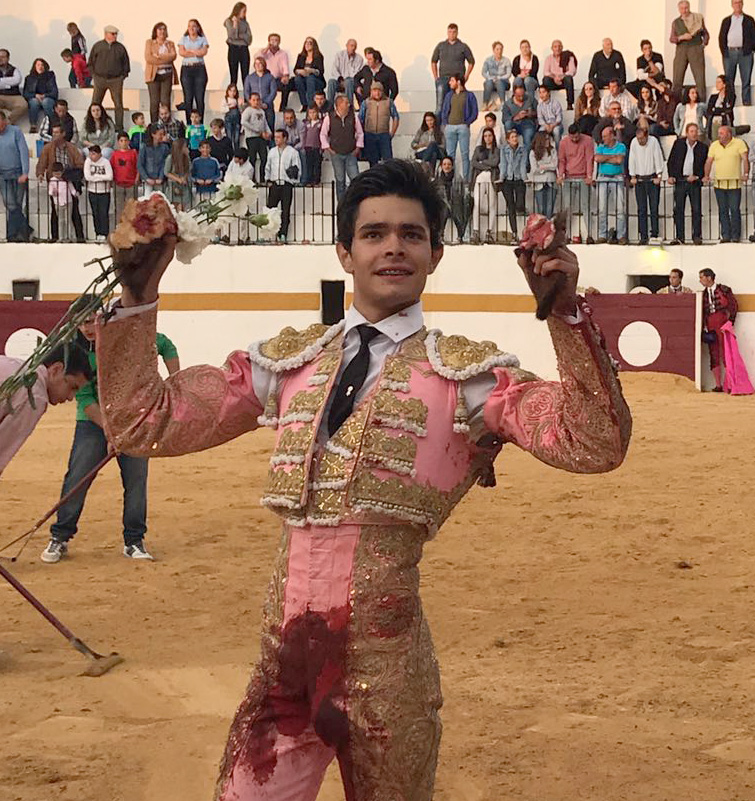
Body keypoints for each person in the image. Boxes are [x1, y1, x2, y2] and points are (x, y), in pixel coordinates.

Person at [96, 158, 630, 799]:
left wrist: (568, 317)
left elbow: (594, 442)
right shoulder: (288, 365)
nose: (394, 247)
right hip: (284, 665)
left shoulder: (469, 379)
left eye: (411, 234)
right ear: (345, 252)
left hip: (388, 671)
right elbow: (142, 423)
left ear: (436, 253)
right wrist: (136, 300)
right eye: (375, 234)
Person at [43, 312, 179, 564]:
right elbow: (85, 400)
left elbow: (165, 345)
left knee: (136, 480)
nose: (88, 328)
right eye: (82, 322)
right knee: (77, 478)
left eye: (92, 320)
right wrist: (111, 430)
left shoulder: (127, 340)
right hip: (94, 424)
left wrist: (174, 382)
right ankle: (60, 536)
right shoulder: (77, 354)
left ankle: (134, 541)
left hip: (133, 421)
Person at [0, 345, 92, 478]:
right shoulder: (34, 395)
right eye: (72, 387)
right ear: (56, 369)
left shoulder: (16, 365)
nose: (71, 397)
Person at [698, 268, 740, 392]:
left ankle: (730, 384)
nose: (700, 280)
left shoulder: (724, 290)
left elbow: (733, 306)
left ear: (709, 277)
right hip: (710, 325)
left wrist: (730, 322)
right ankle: (718, 385)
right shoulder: (703, 294)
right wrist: (704, 326)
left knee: (726, 353)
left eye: (701, 277)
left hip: (723, 323)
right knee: (714, 353)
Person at [704, 124, 747, 243]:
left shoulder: (739, 143)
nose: (719, 136)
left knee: (734, 210)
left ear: (729, 134)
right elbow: (709, 161)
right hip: (719, 184)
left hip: (734, 184)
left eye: (721, 133)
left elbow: (745, 159)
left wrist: (746, 174)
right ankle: (725, 235)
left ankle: (735, 235)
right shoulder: (714, 145)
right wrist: (706, 175)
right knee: (722, 210)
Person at [666, 122, 707, 244]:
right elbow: (671, 161)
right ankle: (680, 237)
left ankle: (697, 236)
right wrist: (671, 176)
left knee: (696, 210)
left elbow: (704, 165)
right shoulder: (678, 144)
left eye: (696, 131)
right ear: (687, 133)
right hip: (680, 181)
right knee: (678, 210)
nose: (694, 134)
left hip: (694, 182)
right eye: (692, 131)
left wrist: (698, 176)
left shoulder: (703, 147)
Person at [557, 123, 595, 243]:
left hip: (583, 177)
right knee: (567, 208)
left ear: (580, 133)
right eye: (572, 137)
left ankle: (590, 234)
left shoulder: (588, 141)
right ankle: (566, 235)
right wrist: (560, 175)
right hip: (568, 177)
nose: (574, 139)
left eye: (576, 137)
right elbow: (562, 160)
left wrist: (589, 176)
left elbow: (589, 159)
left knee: (586, 206)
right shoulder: (564, 142)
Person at [627, 124, 664, 245]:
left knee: (654, 208)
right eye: (639, 139)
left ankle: (654, 234)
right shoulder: (634, 143)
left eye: (642, 139)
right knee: (641, 209)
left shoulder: (653, 141)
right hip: (640, 179)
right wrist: (632, 175)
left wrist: (659, 175)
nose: (640, 141)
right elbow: (632, 159)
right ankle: (643, 236)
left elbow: (658, 157)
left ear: (647, 136)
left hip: (652, 178)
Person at [89, 25, 131, 130]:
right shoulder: (98, 46)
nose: (115, 36)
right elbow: (90, 62)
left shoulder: (120, 48)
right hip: (100, 79)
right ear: (106, 34)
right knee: (95, 103)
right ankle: (92, 125)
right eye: (113, 34)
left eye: (116, 34)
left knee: (118, 104)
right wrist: (94, 75)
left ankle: (119, 127)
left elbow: (126, 64)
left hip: (116, 79)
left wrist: (122, 76)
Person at [321, 94, 363, 199]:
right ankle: (341, 206)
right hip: (336, 154)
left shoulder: (354, 117)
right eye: (346, 103)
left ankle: (354, 202)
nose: (348, 105)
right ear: (339, 105)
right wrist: (329, 149)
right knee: (340, 181)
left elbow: (360, 133)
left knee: (355, 179)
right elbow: (323, 134)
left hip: (351, 153)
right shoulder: (329, 118)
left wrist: (357, 148)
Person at [718, 0, 755, 105]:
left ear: (743, 4)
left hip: (745, 53)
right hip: (730, 53)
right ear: (732, 5)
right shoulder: (726, 20)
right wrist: (724, 52)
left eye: (740, 2)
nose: (738, 4)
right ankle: (730, 102)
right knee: (728, 80)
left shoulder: (749, 20)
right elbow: (721, 37)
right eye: (736, 2)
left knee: (746, 80)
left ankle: (746, 102)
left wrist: (751, 50)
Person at [0, 109, 32, 241]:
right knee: (11, 204)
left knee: (17, 204)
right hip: (2, 175)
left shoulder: (15, 132)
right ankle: (24, 231)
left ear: (4, 121)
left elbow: (23, 151)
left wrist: (25, 172)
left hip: (18, 173)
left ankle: (13, 235)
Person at [264, 127, 300, 242]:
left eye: (279, 137)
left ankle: (282, 234)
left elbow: (297, 167)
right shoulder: (272, 151)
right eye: (275, 137)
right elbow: (268, 166)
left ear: (285, 138)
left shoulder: (292, 152)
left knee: (285, 211)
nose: (276, 140)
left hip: (286, 184)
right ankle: (268, 234)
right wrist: (268, 179)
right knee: (270, 210)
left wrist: (293, 181)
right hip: (275, 183)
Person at [439, 73, 478, 178]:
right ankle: (450, 178)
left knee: (465, 154)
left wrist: (467, 122)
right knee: (450, 155)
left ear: (458, 82)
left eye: (452, 80)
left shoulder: (469, 95)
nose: (450, 83)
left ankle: (465, 179)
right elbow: (444, 110)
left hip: (463, 127)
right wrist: (445, 123)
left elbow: (474, 112)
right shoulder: (449, 95)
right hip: (450, 127)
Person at [594, 125, 628, 244]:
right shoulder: (600, 146)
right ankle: (602, 234)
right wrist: (613, 157)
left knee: (620, 209)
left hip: (617, 178)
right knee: (602, 209)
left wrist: (605, 158)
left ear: (612, 135)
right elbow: (597, 158)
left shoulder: (621, 146)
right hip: (603, 178)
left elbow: (619, 161)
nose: (603, 139)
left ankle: (621, 235)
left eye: (605, 136)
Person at [432, 23, 474, 110]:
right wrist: (436, 77)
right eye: (450, 32)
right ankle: (441, 123)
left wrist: (466, 76)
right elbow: (433, 61)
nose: (451, 34)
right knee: (440, 104)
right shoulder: (441, 46)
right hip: (443, 78)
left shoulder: (463, 46)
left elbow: (471, 62)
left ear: (457, 33)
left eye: (454, 32)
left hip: (457, 79)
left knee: (457, 103)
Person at [470, 126, 500, 243]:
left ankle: (490, 231)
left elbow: (495, 162)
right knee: (477, 204)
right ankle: (476, 231)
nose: (487, 138)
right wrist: (486, 165)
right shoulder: (479, 149)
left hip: (491, 177)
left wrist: (482, 162)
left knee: (492, 204)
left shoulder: (496, 150)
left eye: (489, 136)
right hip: (480, 177)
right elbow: (473, 162)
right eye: (485, 136)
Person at [144, 22, 178, 124]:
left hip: (167, 74)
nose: (162, 32)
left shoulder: (170, 43)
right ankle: (154, 125)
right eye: (159, 29)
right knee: (154, 102)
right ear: (155, 31)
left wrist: (159, 56)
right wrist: (165, 58)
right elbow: (149, 58)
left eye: (164, 29)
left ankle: (167, 124)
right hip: (153, 75)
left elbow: (173, 56)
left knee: (165, 101)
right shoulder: (150, 42)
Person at [672, 1, 708, 95]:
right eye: (682, 8)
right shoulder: (676, 22)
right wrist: (681, 37)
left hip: (695, 48)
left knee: (700, 78)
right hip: (681, 50)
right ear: (679, 9)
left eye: (686, 8)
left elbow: (705, 34)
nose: (684, 10)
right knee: (677, 78)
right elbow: (672, 38)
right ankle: (675, 103)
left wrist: (703, 44)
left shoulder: (698, 18)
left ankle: (701, 102)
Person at [434, 155, 473, 243]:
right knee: (444, 209)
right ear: (441, 166)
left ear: (452, 166)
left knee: (455, 209)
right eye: (444, 164)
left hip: (456, 204)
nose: (446, 166)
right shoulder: (437, 181)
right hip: (443, 206)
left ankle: (460, 235)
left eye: (449, 164)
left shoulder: (458, 178)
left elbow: (463, 193)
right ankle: (440, 235)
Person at [178, 19, 210, 124]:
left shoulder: (202, 39)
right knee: (188, 98)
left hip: (199, 68)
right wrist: (196, 52)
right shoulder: (184, 39)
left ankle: (200, 123)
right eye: (189, 26)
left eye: (194, 26)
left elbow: (203, 52)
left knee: (199, 98)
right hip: (187, 68)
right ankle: (189, 123)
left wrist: (190, 51)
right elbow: (182, 52)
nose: (191, 28)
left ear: (198, 28)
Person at [498, 127, 527, 240]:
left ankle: (523, 230)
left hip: (519, 178)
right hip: (508, 179)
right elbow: (503, 164)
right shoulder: (504, 149)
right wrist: (501, 177)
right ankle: (514, 232)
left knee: (519, 204)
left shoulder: (522, 149)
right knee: (511, 206)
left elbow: (523, 164)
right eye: (512, 137)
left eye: (516, 137)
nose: (515, 139)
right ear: (508, 140)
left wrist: (524, 177)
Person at [361, 82, 399, 167]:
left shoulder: (389, 102)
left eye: (379, 90)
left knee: (388, 161)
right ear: (371, 91)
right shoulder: (366, 103)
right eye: (374, 90)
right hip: (369, 135)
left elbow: (396, 117)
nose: (377, 93)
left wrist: (392, 132)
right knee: (372, 161)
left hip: (384, 135)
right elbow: (361, 119)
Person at [83, 145, 112, 241]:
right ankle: (98, 233)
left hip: (104, 191)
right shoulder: (87, 161)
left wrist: (95, 178)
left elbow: (109, 176)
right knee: (95, 213)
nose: (92, 156)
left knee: (103, 213)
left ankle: (104, 233)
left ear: (99, 154)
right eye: (90, 154)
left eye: (94, 154)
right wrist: (100, 178)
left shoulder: (105, 162)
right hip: (92, 191)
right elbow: (87, 177)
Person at [257, 33, 293, 113]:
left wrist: (285, 76)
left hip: (277, 79)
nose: (274, 42)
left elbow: (285, 66)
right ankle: (266, 106)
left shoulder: (283, 54)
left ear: (279, 42)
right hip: (266, 78)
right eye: (272, 40)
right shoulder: (263, 52)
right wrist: (267, 48)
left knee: (286, 85)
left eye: (276, 40)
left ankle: (283, 107)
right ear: (268, 41)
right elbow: (257, 58)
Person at [47, 163, 82, 242]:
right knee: (60, 220)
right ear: (53, 173)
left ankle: (70, 237)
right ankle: (61, 237)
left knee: (68, 220)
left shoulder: (66, 179)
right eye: (55, 174)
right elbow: (50, 191)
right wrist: (53, 192)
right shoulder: (52, 180)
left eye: (59, 173)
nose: (57, 175)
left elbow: (71, 189)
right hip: (58, 203)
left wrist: (75, 193)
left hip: (68, 202)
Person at [22, 58, 58, 133]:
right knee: (34, 102)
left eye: (42, 65)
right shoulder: (29, 78)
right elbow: (25, 93)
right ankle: (33, 126)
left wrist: (44, 95)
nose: (40, 67)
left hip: (48, 97)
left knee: (46, 102)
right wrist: (35, 95)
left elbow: (54, 92)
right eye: (38, 65)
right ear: (34, 66)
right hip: (34, 98)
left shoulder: (50, 76)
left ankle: (51, 124)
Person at [240, 92, 270, 179]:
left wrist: (269, 132)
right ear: (250, 101)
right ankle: (252, 179)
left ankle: (262, 178)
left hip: (261, 138)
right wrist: (256, 130)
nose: (256, 102)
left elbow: (265, 123)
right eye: (253, 100)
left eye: (257, 100)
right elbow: (243, 122)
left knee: (264, 158)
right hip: (251, 137)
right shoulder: (248, 110)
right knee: (252, 159)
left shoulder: (261, 111)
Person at [528, 130, 557, 218]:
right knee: (540, 208)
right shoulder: (533, 152)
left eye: (549, 139)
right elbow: (534, 168)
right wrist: (547, 167)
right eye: (546, 139)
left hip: (551, 181)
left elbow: (554, 165)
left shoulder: (552, 151)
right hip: (539, 182)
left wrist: (542, 167)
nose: (548, 141)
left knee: (549, 208)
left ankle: (548, 228)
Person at [244, 56, 277, 132]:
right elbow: (246, 91)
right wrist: (252, 103)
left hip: (267, 106)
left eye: (260, 63)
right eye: (256, 64)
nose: (258, 65)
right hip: (254, 106)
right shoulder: (249, 78)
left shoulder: (270, 77)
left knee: (270, 126)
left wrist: (266, 103)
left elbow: (273, 91)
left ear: (264, 65)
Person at [542, 40, 578, 110]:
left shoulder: (568, 57)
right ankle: (547, 103)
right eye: (555, 47)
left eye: (559, 46)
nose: (557, 48)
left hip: (564, 81)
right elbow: (546, 72)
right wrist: (554, 77)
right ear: (552, 48)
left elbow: (572, 71)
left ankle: (570, 104)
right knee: (546, 79)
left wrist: (562, 76)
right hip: (553, 81)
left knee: (569, 78)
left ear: (562, 47)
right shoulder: (548, 58)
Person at [224, 2, 252, 89]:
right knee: (233, 75)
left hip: (244, 49)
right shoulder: (229, 21)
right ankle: (233, 97)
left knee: (245, 75)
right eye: (243, 11)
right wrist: (235, 25)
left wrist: (240, 36)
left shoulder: (245, 23)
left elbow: (249, 38)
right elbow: (232, 36)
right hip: (233, 49)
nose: (245, 13)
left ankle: (247, 97)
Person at [502, 83, 537, 151]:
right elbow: (504, 119)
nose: (521, 98)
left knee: (527, 138)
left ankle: (526, 159)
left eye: (522, 95)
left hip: (527, 124)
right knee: (508, 124)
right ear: (514, 93)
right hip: (514, 125)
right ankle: (510, 150)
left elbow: (538, 112)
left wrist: (529, 114)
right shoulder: (508, 104)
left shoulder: (531, 99)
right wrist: (517, 117)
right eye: (518, 96)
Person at [110, 132, 138, 217]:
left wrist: (137, 178)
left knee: (132, 207)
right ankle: (120, 226)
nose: (124, 143)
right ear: (118, 142)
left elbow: (137, 166)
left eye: (125, 140)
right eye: (121, 140)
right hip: (118, 183)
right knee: (119, 207)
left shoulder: (133, 153)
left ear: (129, 141)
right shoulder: (115, 154)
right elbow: (111, 167)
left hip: (131, 183)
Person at [293, 37, 325, 111]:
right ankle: (304, 104)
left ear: (314, 45)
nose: (307, 45)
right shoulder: (301, 56)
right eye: (306, 43)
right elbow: (295, 69)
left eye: (310, 43)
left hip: (316, 80)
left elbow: (320, 71)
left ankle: (311, 105)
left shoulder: (318, 57)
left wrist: (311, 70)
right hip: (303, 79)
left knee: (310, 78)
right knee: (297, 79)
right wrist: (300, 71)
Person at [703, 74, 735, 140]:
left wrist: (715, 109)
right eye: (716, 82)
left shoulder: (730, 96)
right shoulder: (713, 97)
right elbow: (709, 110)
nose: (716, 84)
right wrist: (719, 110)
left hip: (724, 121)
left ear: (724, 84)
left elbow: (728, 109)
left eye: (719, 82)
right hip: (713, 122)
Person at [329, 39, 362, 105]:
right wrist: (340, 79)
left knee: (348, 82)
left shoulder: (359, 58)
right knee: (331, 82)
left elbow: (357, 74)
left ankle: (349, 106)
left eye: (355, 46)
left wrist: (346, 80)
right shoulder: (339, 55)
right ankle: (329, 106)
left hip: (351, 81)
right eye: (351, 46)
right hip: (339, 80)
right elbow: (334, 69)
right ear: (346, 46)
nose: (353, 48)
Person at [481, 42, 511, 111]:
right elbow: (483, 72)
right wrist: (491, 78)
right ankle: (485, 103)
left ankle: (503, 103)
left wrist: (499, 78)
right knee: (488, 83)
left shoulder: (506, 60)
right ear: (493, 50)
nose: (499, 51)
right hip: (491, 81)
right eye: (497, 49)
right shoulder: (488, 60)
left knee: (499, 82)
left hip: (504, 82)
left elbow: (508, 74)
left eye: (501, 49)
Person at [301, 106, 323, 185]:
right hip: (308, 147)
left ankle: (316, 180)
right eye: (310, 113)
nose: (312, 114)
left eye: (314, 112)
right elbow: (304, 135)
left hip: (317, 147)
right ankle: (309, 180)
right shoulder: (306, 123)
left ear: (317, 112)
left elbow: (322, 135)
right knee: (309, 164)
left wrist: (321, 147)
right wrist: (303, 146)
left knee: (317, 164)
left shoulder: (320, 123)